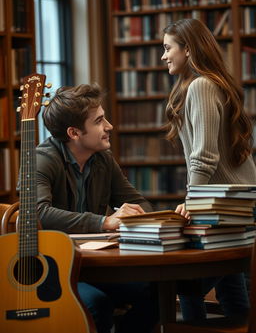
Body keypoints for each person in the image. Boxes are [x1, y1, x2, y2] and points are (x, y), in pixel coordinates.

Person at [36, 83, 158, 333]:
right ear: (74, 132)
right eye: (100, 121)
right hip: (56, 269)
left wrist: (134, 217)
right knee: (96, 305)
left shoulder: (102, 158)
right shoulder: (42, 160)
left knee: (157, 291)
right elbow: (38, 214)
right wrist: (104, 222)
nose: (109, 126)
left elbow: (139, 203)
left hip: (95, 265)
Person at [161, 18, 256, 322]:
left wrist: (192, 200)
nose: (164, 56)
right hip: (234, 201)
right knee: (230, 281)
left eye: (167, 48)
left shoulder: (202, 85)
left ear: (187, 49)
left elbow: (203, 156)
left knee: (189, 286)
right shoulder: (205, 84)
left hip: (227, 203)